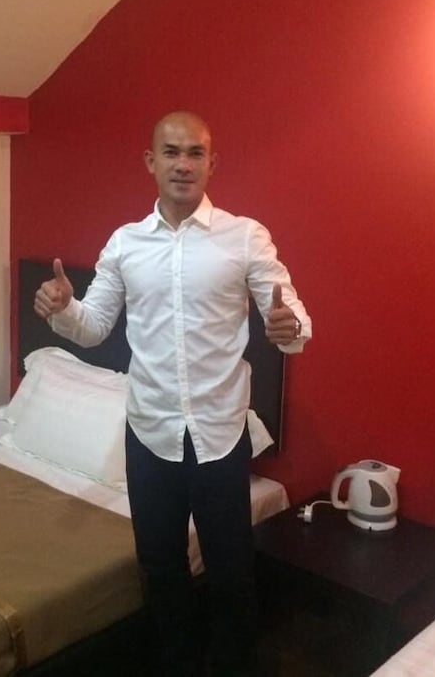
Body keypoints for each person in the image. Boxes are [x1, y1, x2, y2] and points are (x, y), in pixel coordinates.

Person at [34, 111, 310, 676]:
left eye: (194, 153)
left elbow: (290, 313)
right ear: (150, 161)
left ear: (212, 163)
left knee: (231, 570)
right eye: (171, 152)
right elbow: (95, 327)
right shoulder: (125, 244)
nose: (183, 164)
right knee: (160, 567)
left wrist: (290, 330)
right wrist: (63, 310)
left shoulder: (244, 237)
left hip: (219, 433)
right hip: (150, 434)